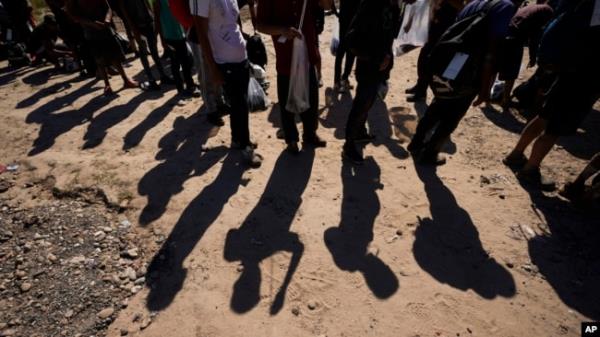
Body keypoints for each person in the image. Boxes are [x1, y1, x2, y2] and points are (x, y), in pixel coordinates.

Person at [408, 0, 521, 166]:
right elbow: (491, 52)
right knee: (453, 115)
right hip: (470, 70)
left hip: (452, 61)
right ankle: (430, 154)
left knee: (439, 103)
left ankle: (416, 142)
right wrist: (485, 89)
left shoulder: (477, 2)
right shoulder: (506, 7)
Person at [503, 0, 600, 190]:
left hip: (567, 69)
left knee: (544, 115)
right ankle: (530, 169)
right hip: (585, 76)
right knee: (555, 127)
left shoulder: (584, 6)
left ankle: (515, 154)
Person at [190, 0, 263, 168]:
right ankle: (245, 147)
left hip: (240, 57)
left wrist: (244, 42)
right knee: (240, 103)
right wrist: (213, 68)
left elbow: (233, 23)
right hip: (223, 60)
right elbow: (201, 32)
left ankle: (237, 139)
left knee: (238, 103)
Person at [256, 0, 332, 154]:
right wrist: (282, 30)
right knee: (286, 100)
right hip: (285, 56)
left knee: (311, 96)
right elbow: (261, 25)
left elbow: (326, 6)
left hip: (308, 53)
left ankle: (310, 135)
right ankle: (291, 139)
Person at [341, 0, 402, 164]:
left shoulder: (392, 6)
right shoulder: (371, 5)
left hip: (380, 64)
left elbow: (391, 34)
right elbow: (353, 39)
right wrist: (376, 57)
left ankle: (359, 132)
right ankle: (349, 145)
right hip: (368, 65)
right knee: (362, 103)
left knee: (368, 102)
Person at [67, 0, 138, 95]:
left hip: (106, 28)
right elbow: (74, 16)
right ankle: (107, 85)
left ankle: (125, 79)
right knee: (99, 59)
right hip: (90, 32)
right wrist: (91, 23)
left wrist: (107, 19)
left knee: (115, 56)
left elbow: (108, 8)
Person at [497, 1, 554, 110]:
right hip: (516, 38)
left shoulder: (534, 6)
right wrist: (533, 57)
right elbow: (535, 36)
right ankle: (505, 100)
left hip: (506, 33)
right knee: (512, 71)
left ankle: (487, 95)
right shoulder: (547, 11)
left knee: (498, 66)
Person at [405, 0, 465, 102]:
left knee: (433, 60)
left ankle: (427, 91)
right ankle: (421, 86)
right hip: (434, 25)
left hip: (446, 28)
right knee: (424, 57)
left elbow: (462, 7)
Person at [120, 0, 172, 90]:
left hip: (148, 22)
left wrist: (153, 19)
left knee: (154, 51)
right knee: (143, 52)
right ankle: (151, 79)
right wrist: (133, 28)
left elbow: (147, 4)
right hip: (138, 25)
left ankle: (163, 76)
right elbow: (125, 12)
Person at [155, 0, 199, 97]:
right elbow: (157, 19)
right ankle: (180, 88)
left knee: (185, 61)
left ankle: (190, 84)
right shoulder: (159, 1)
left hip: (180, 35)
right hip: (169, 36)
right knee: (175, 63)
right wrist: (162, 39)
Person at [333, 0, 359, 93]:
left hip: (344, 19)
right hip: (353, 22)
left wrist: (335, 11)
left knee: (342, 51)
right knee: (350, 52)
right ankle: (344, 79)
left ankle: (337, 81)